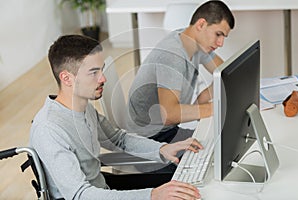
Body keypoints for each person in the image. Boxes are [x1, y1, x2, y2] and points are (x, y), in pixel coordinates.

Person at [29, 34, 203, 200]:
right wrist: (152, 195)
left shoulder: (83, 108)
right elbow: (79, 195)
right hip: (87, 195)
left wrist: (162, 149)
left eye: (102, 70)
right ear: (67, 78)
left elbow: (118, 139)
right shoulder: (49, 129)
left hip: (101, 188)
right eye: (93, 72)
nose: (103, 78)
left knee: (184, 187)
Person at [127, 0, 235, 143]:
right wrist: (213, 108)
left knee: (221, 143)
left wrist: (205, 95)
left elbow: (224, 72)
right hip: (149, 141)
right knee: (218, 152)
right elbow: (169, 115)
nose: (220, 43)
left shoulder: (193, 41)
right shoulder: (172, 56)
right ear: (201, 24)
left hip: (167, 131)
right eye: (218, 34)